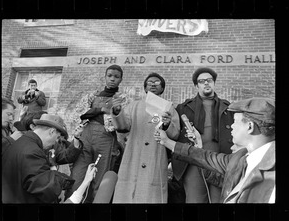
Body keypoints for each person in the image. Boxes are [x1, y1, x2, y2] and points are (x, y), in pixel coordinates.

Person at [154, 97, 275, 203]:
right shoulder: (241, 157)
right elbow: (208, 159)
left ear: (250, 127)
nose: (231, 126)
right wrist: (168, 142)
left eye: (235, 121)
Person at [110, 72, 180, 203]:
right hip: (133, 155)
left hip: (156, 156)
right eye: (150, 82)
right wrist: (117, 111)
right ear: (145, 87)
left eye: (157, 82)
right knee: (127, 194)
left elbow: (175, 134)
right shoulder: (133, 106)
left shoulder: (169, 108)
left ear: (162, 88)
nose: (153, 84)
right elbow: (123, 127)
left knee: (152, 195)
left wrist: (167, 124)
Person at [172, 67, 234, 203]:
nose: (206, 83)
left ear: (214, 83)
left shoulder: (229, 108)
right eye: (201, 81)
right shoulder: (183, 107)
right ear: (196, 85)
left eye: (209, 80)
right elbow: (174, 133)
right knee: (195, 200)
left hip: (220, 161)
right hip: (193, 161)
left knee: (219, 200)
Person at [65, 65, 125, 203]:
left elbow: (123, 124)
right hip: (86, 136)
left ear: (121, 80)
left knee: (101, 179)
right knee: (78, 175)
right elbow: (79, 113)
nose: (112, 79)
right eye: (109, 75)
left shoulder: (122, 98)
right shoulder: (92, 95)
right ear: (105, 77)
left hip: (106, 138)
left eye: (116, 77)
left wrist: (114, 111)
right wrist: (102, 109)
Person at [2, 114, 77, 203]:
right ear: (52, 132)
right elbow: (45, 188)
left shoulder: (22, 142)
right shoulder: (33, 151)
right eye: (56, 138)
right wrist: (62, 180)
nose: (54, 143)